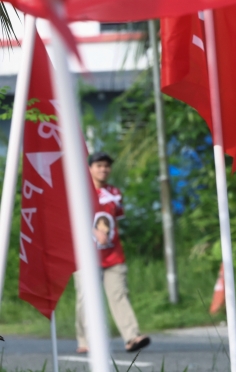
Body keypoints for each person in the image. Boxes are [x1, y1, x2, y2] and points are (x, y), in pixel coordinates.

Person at [75, 151, 151, 354]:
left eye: (107, 166)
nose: (103, 169)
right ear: (90, 168)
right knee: (85, 297)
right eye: (99, 165)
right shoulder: (80, 191)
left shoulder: (114, 193)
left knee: (119, 295)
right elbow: (71, 219)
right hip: (85, 256)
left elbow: (116, 220)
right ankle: (85, 340)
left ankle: (132, 337)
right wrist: (94, 231)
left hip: (113, 254)